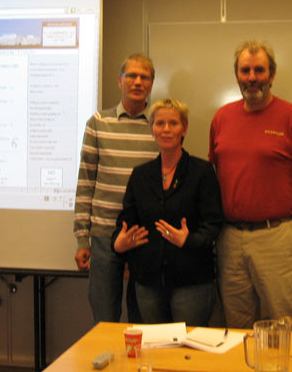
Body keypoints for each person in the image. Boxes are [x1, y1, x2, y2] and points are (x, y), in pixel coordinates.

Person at [208, 39, 292, 331]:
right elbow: (216, 176)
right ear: (236, 75)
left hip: (278, 238)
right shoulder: (221, 118)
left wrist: (288, 227)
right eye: (245, 70)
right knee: (237, 329)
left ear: (271, 75)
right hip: (230, 240)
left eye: (259, 70)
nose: (252, 78)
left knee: (287, 326)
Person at [111, 98, 224, 326]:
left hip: (191, 281)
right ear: (152, 129)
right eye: (160, 123)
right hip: (147, 281)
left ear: (184, 129)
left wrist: (188, 240)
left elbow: (213, 224)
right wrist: (119, 244)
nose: (166, 129)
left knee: (187, 346)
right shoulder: (140, 175)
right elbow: (125, 222)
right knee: (155, 345)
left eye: (173, 123)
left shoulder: (202, 172)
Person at [73, 53, 159, 323]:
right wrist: (82, 238)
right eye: (131, 76)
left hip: (144, 235)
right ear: (120, 81)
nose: (137, 82)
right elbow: (86, 182)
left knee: (142, 319)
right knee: (104, 318)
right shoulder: (98, 123)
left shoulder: (160, 126)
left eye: (144, 77)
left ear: (151, 84)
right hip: (103, 235)